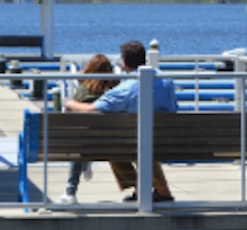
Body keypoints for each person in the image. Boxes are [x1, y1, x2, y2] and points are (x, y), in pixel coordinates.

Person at [64, 40, 177, 202]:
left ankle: (155, 191)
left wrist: (69, 103)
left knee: (117, 141)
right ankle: (146, 191)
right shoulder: (167, 81)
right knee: (141, 137)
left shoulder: (126, 88)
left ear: (124, 62)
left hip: (142, 142)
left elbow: (92, 109)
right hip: (171, 140)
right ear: (144, 58)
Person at [58, 55, 120, 204]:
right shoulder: (115, 89)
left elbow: (69, 112)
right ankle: (139, 190)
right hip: (115, 143)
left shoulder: (83, 88)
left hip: (84, 142)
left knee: (80, 142)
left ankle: (70, 192)